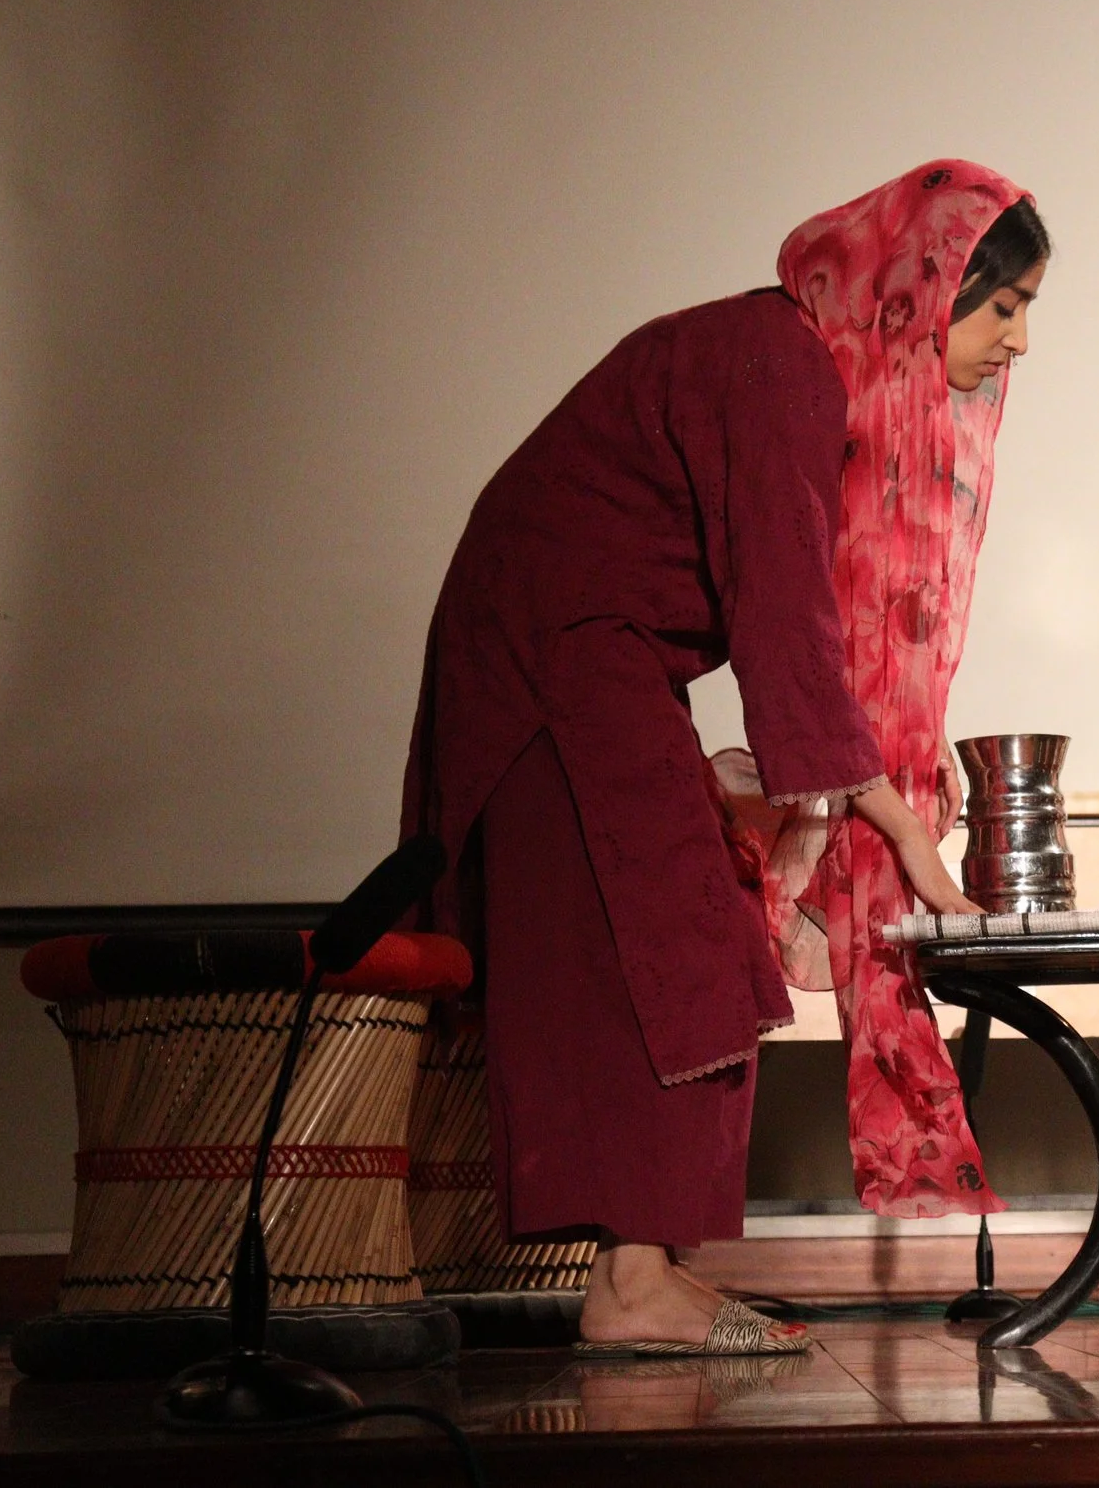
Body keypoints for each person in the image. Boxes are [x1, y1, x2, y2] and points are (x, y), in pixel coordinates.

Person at [402, 162, 1048, 1354]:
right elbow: (787, 623)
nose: (1015, 342)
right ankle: (631, 1286)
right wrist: (905, 835)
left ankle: (647, 1272)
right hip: (553, 652)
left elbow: (813, 625)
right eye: (1000, 305)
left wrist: (890, 795)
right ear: (921, 287)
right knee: (677, 944)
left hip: (590, 655)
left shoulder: (804, 366)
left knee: (698, 939)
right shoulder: (781, 367)